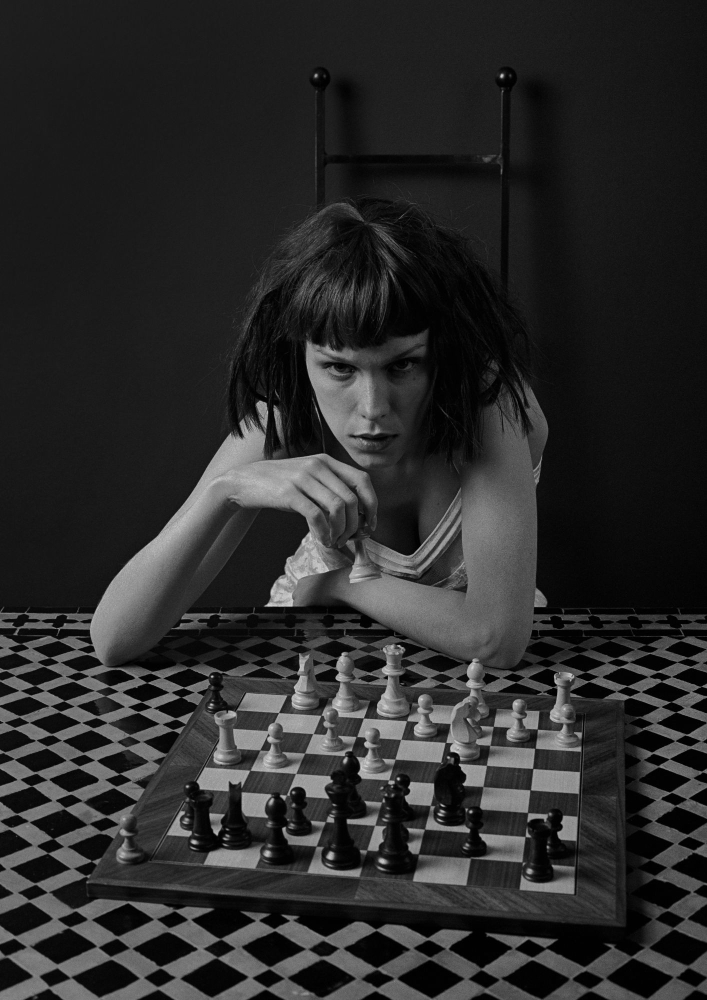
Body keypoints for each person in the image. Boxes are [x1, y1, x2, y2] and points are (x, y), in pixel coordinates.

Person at [90, 197, 548, 670]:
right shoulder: (288, 419)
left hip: (466, 677)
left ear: (442, 350)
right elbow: (114, 640)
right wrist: (224, 492)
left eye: (402, 365)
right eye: (339, 368)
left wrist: (341, 583)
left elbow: (493, 638)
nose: (373, 408)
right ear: (301, 354)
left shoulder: (490, 404)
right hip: (319, 653)